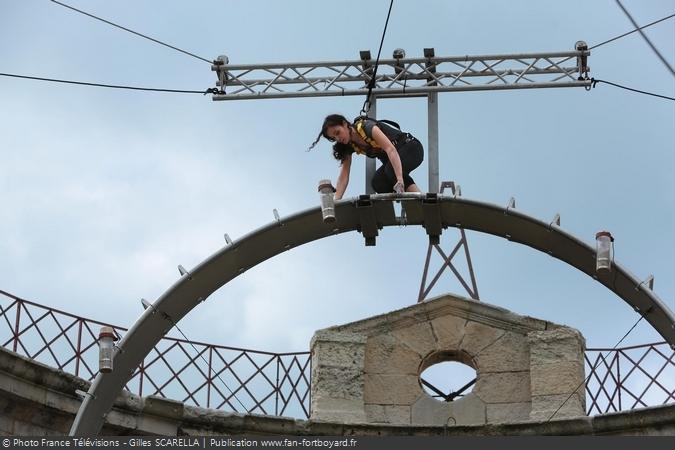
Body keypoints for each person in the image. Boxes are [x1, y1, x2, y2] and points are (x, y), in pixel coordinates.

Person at [309, 114, 424, 200]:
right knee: (378, 183)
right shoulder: (348, 146)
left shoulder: (367, 127)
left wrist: (399, 180)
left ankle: (420, 200)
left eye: (338, 132)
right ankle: (406, 199)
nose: (338, 139)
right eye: (334, 138)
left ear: (345, 124)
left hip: (411, 148)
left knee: (390, 170)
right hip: (394, 161)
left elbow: (390, 149)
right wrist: (336, 201)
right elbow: (344, 176)